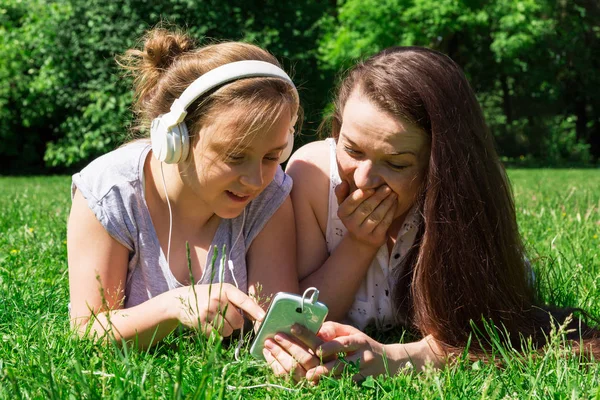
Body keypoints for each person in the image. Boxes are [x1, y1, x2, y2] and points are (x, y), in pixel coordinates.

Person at [262, 46, 599, 382]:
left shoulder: (460, 197)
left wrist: (396, 358)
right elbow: (306, 316)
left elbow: (488, 330)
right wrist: (360, 244)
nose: (363, 178)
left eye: (396, 163)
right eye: (352, 149)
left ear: (439, 164)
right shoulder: (313, 174)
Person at [67, 28, 300, 348]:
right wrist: (174, 306)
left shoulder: (270, 193)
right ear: (174, 140)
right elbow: (89, 330)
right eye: (235, 156)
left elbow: (274, 325)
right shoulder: (112, 191)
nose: (256, 179)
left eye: (272, 156)